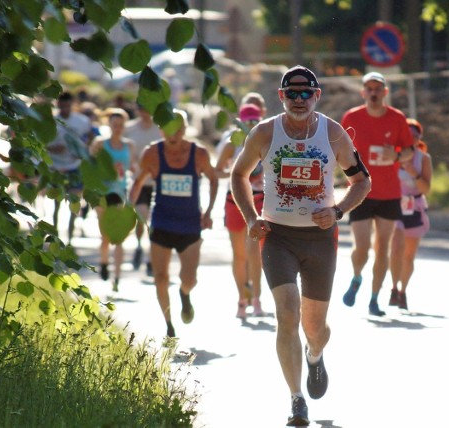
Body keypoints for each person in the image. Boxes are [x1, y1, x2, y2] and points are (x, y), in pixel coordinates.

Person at [231, 65, 371, 427]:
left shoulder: (332, 133)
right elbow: (238, 174)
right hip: (277, 236)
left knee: (315, 327)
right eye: (291, 94)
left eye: (305, 93)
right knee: (287, 312)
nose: (298, 100)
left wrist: (338, 210)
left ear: (316, 96)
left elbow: (362, 182)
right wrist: (250, 218)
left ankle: (315, 353)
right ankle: (296, 400)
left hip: (320, 238)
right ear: (281, 97)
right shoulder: (265, 132)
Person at [129, 109, 218, 338]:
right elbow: (138, 182)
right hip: (162, 222)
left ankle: (184, 294)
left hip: (190, 225)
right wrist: (128, 210)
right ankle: (169, 325)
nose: (173, 135)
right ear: (161, 130)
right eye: (169, 130)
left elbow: (214, 179)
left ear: (185, 130)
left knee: (190, 279)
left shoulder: (198, 153)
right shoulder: (152, 153)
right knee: (160, 277)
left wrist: (208, 212)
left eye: (178, 130)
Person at [340, 72, 414, 316]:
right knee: (361, 247)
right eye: (369, 88)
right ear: (363, 92)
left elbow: (409, 151)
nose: (373, 92)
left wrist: (396, 155)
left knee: (383, 248)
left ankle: (374, 299)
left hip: (389, 193)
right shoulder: (352, 117)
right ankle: (357, 276)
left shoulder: (397, 118)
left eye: (378, 88)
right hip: (361, 190)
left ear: (385, 92)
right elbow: (339, 150)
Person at [215, 104, 265, 319]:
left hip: (259, 199)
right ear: (240, 122)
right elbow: (217, 172)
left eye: (255, 121)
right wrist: (238, 173)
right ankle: (242, 299)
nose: (252, 125)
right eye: (248, 121)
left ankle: (257, 300)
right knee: (239, 255)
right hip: (234, 201)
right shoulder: (231, 145)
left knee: (255, 254)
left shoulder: (266, 142)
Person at [89, 108, 138, 291]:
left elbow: (133, 165)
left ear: (124, 126)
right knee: (106, 235)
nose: (117, 128)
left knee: (119, 236)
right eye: (114, 124)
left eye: (120, 125)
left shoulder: (129, 145)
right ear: (109, 125)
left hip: (120, 193)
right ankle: (103, 262)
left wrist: (137, 173)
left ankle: (116, 277)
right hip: (102, 193)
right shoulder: (101, 144)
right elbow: (90, 165)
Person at [388, 118, 433, 310]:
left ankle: (402, 291)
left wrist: (413, 172)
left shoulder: (423, 159)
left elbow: (426, 188)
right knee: (396, 247)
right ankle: (393, 286)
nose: (411, 138)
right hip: (393, 206)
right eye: (408, 134)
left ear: (419, 139)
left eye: (415, 136)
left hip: (414, 207)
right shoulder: (391, 155)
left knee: (408, 256)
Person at [47, 91, 94, 244]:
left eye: (68, 106)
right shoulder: (52, 121)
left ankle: (70, 240)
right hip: (56, 166)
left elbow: (91, 136)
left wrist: (82, 150)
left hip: (75, 166)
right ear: (57, 105)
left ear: (72, 105)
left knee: (74, 202)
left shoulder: (82, 121)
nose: (65, 109)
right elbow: (42, 143)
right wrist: (54, 149)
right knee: (56, 204)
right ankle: (54, 237)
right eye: (62, 106)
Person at [124, 104, 163, 276]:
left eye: (147, 108)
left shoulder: (160, 129)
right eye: (142, 108)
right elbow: (125, 151)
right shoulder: (129, 129)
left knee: (154, 222)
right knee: (141, 217)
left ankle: (150, 258)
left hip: (158, 183)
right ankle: (139, 246)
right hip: (139, 181)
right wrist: (131, 165)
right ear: (138, 110)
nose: (145, 112)